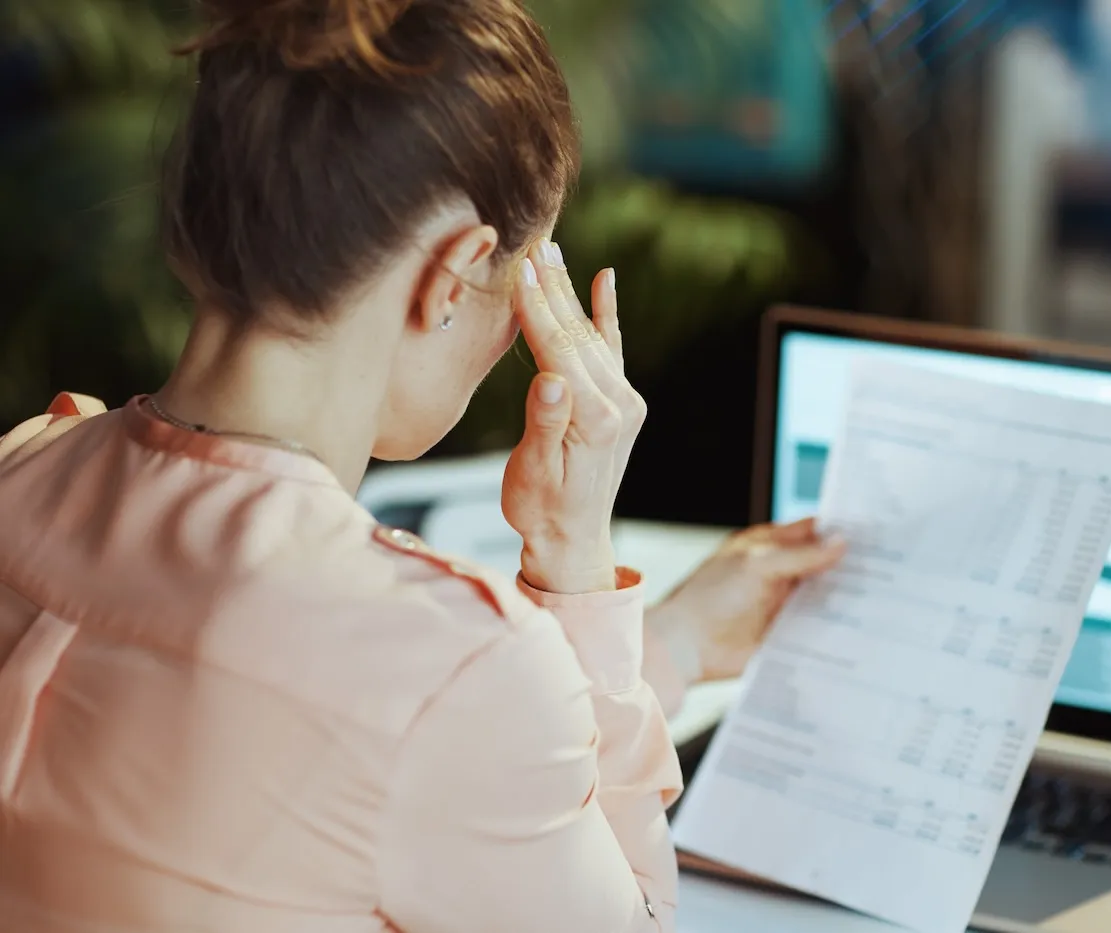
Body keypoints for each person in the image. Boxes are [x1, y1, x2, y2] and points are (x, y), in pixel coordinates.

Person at [0, 1, 845, 930]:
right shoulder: (447, 663)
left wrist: (670, 646)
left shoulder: (25, 468)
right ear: (452, 276)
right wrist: (575, 558)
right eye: (525, 281)